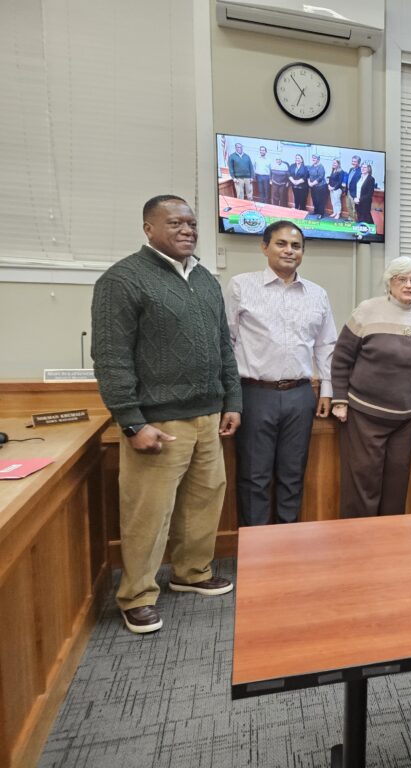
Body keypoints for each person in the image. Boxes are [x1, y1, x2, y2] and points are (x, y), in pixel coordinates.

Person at [91, 195, 241, 634]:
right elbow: (111, 357)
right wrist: (132, 421)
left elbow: (223, 348)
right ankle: (136, 594)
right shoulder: (122, 280)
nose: (187, 230)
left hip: (208, 416)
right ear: (148, 229)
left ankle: (191, 573)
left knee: (204, 500)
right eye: (175, 222)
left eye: (192, 224)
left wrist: (232, 401)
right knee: (149, 512)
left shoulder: (206, 280)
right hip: (157, 422)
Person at [225, 221, 337, 526]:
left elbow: (327, 344)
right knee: (254, 477)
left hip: (300, 396)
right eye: (281, 244)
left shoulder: (317, 294)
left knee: (292, 475)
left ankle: (287, 547)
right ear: (264, 247)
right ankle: (255, 553)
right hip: (254, 393)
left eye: (296, 246)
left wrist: (327, 389)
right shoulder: (240, 286)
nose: (289, 250)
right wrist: (230, 399)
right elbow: (226, 342)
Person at [331, 257, 411, 517]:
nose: (409, 285)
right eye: (402, 279)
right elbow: (342, 357)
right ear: (390, 282)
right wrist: (340, 400)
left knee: (397, 485)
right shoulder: (367, 310)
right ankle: (358, 542)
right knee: (363, 483)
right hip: (365, 414)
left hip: (405, 417)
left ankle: (388, 543)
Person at [344, 155, 362, 220]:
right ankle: (351, 218)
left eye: (355, 161)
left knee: (355, 208)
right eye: (352, 161)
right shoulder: (351, 169)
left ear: (358, 162)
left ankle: (355, 221)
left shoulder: (360, 171)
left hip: (354, 193)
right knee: (349, 206)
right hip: (348, 191)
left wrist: (357, 195)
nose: (353, 163)